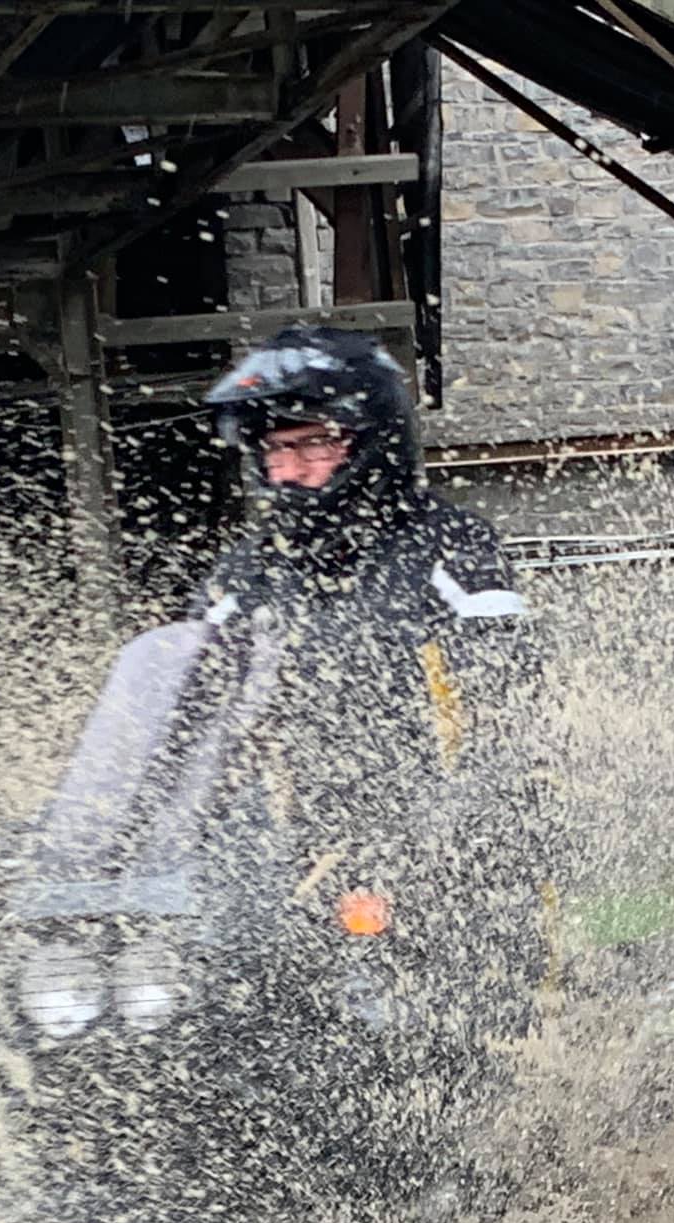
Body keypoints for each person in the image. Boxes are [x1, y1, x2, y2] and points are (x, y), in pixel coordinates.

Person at [191, 324, 564, 986]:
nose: (291, 467)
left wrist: (446, 836)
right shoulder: (249, 569)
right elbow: (189, 706)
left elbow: (509, 703)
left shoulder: (447, 546)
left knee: (478, 1024)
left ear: (370, 439)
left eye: (313, 442)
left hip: (450, 851)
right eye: (276, 448)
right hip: (293, 857)